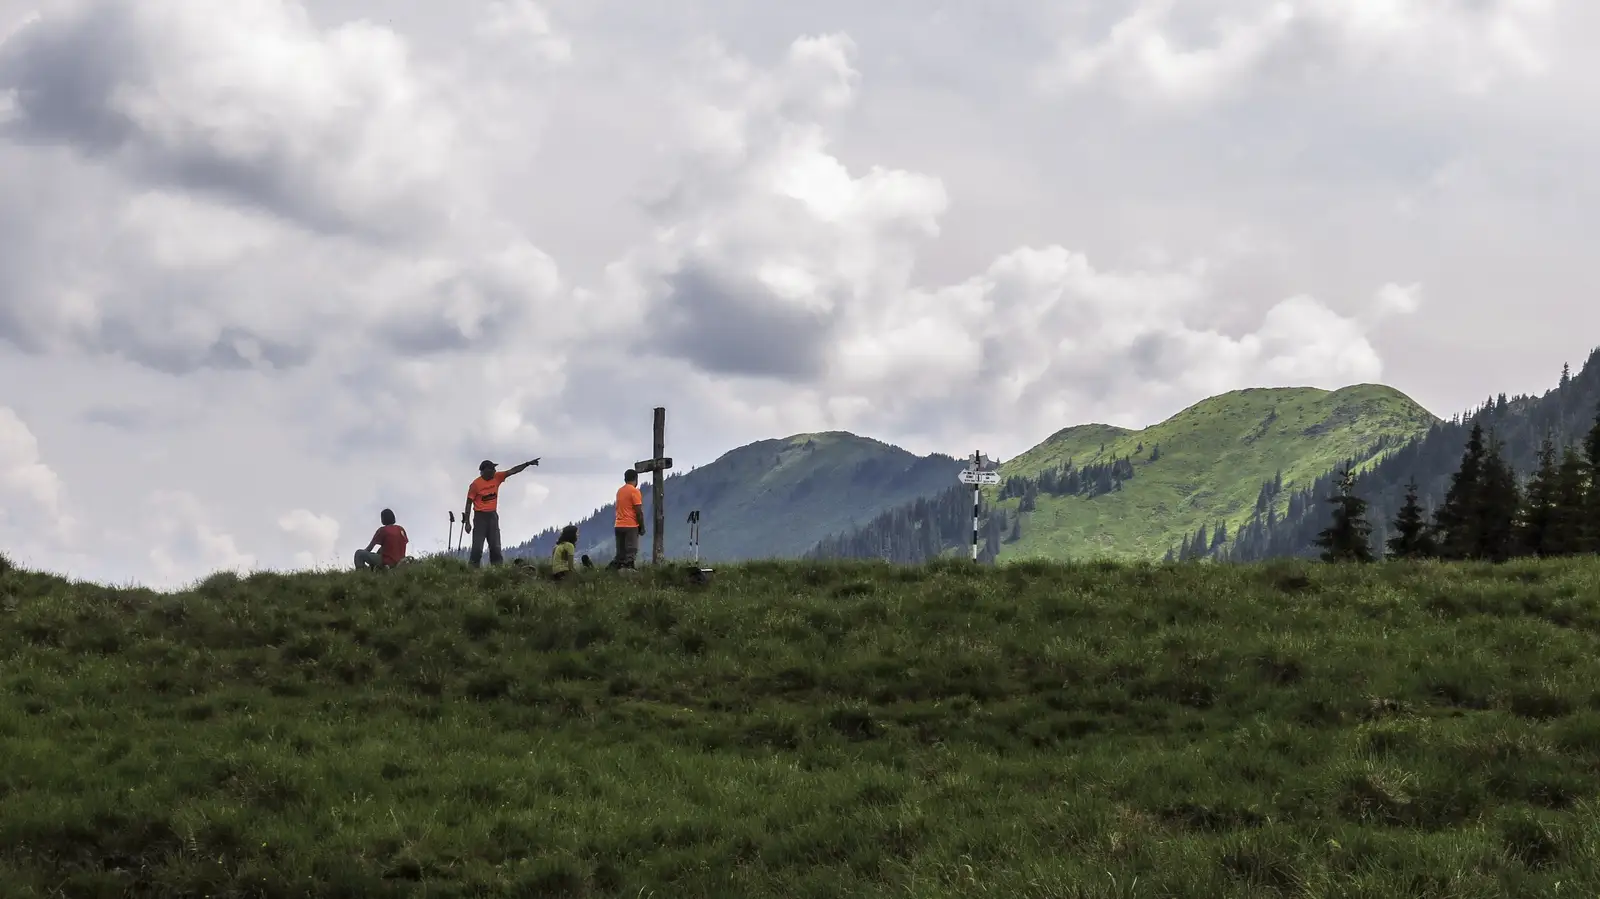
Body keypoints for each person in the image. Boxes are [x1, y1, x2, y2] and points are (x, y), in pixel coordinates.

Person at [463, 457, 539, 567]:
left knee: (495, 546)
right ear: (484, 471)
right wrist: (467, 522)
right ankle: (473, 569)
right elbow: (469, 503)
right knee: (477, 547)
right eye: (492, 468)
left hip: (492, 516)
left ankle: (498, 569)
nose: (494, 470)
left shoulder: (497, 477)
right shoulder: (475, 485)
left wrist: (527, 464)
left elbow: (513, 471)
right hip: (480, 517)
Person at [611, 468, 645, 569]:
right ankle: (629, 571)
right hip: (630, 525)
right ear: (636, 479)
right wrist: (641, 527)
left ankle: (615, 571)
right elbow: (638, 512)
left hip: (618, 524)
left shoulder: (620, 491)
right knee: (631, 551)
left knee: (620, 554)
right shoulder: (634, 491)